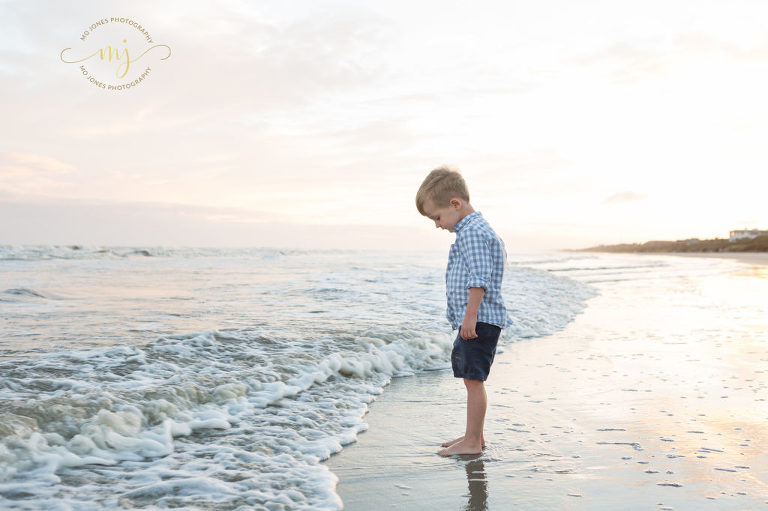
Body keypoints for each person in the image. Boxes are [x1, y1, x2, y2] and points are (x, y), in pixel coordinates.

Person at [415, 166, 512, 456]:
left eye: (437, 217)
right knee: (472, 379)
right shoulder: (475, 231)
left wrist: (470, 317)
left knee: (473, 380)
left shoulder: (472, 234)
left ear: (455, 204)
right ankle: (474, 436)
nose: (437, 224)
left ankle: (472, 442)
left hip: (479, 318)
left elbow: (479, 278)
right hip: (479, 318)